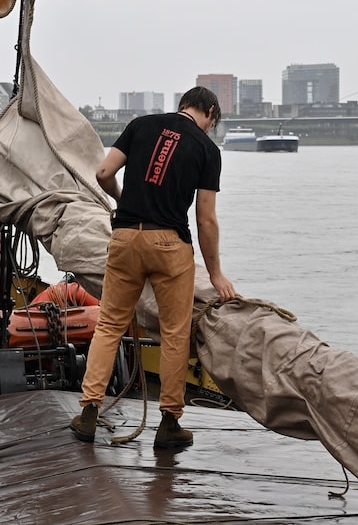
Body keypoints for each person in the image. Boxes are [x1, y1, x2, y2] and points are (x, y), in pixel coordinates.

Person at [70, 86, 237, 448]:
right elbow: (206, 220)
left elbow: (103, 172)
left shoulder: (141, 125)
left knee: (110, 325)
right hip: (169, 245)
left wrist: (123, 200)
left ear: (183, 105)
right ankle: (169, 423)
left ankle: (89, 412)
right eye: (213, 122)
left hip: (125, 237)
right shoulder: (207, 149)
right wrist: (216, 275)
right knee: (175, 334)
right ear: (210, 111)